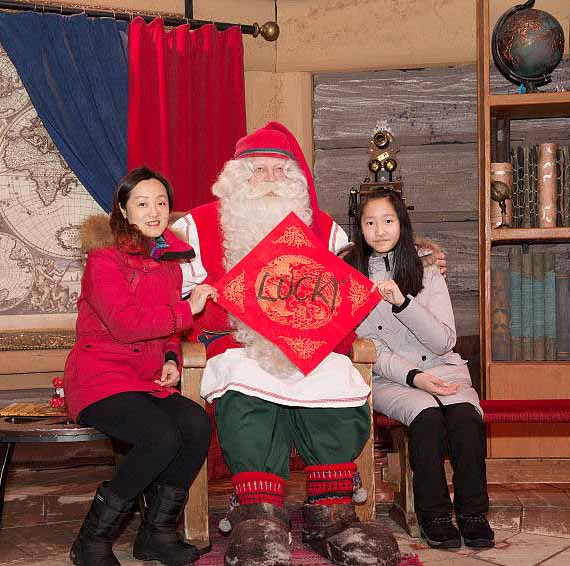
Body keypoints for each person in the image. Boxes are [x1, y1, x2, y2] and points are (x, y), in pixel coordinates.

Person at [171, 122, 446, 566]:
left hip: (312, 343)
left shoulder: (325, 229)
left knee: (336, 376)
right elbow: (168, 294)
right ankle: (258, 513)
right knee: (246, 380)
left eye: (280, 171)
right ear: (237, 177)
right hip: (238, 344)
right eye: (259, 170)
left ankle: (331, 513)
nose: (270, 180)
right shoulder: (195, 227)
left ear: (296, 179)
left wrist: (419, 252)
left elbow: (363, 272)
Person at [64, 167, 217, 566]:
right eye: (143, 203)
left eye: (161, 203)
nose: (154, 212)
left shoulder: (169, 263)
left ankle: (156, 535)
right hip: (99, 377)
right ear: (123, 210)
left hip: (143, 379)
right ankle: (91, 541)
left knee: (196, 425)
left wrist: (170, 358)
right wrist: (188, 309)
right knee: (160, 436)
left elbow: (166, 330)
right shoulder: (103, 259)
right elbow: (125, 324)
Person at [348, 189, 494, 550]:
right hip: (391, 377)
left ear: (402, 223)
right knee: (427, 418)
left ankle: (473, 513)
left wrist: (403, 302)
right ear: (360, 228)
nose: (380, 230)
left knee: (465, 417)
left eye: (388, 221)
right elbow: (371, 348)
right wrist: (415, 377)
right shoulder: (351, 277)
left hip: (443, 367)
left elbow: (444, 340)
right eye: (370, 222)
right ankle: (435, 515)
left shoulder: (427, 269)